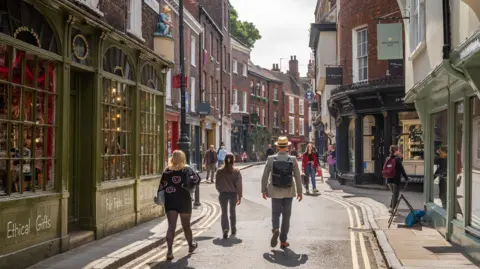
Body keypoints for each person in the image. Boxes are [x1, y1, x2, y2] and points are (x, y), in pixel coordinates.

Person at [157, 150, 201, 260]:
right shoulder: (187, 169)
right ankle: (191, 246)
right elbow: (197, 180)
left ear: (172, 158)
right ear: (183, 158)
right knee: (186, 226)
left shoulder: (166, 171)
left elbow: (161, 187)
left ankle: (169, 252)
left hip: (170, 201)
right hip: (184, 200)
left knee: (171, 226)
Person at [261, 136, 303, 249]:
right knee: (286, 216)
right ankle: (283, 241)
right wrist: (300, 191)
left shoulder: (271, 159)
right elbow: (298, 176)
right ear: (287, 146)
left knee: (275, 213)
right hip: (289, 191)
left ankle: (275, 229)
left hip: (275, 191)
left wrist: (263, 190)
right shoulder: (292, 159)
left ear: (278, 146)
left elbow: (265, 176)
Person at [215, 153, 243, 239]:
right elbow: (239, 185)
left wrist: (220, 190)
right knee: (232, 212)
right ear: (233, 160)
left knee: (224, 213)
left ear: (224, 160)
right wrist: (240, 196)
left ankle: (225, 229)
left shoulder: (219, 171)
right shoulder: (236, 171)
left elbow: (217, 184)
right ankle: (233, 229)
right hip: (233, 194)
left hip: (223, 194)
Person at [383, 145, 409, 213]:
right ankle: (392, 209)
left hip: (388, 180)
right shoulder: (397, 159)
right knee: (395, 195)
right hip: (395, 180)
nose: (399, 152)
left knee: (394, 194)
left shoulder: (387, 158)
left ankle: (392, 208)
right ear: (396, 151)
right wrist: (406, 178)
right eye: (398, 150)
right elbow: (401, 169)